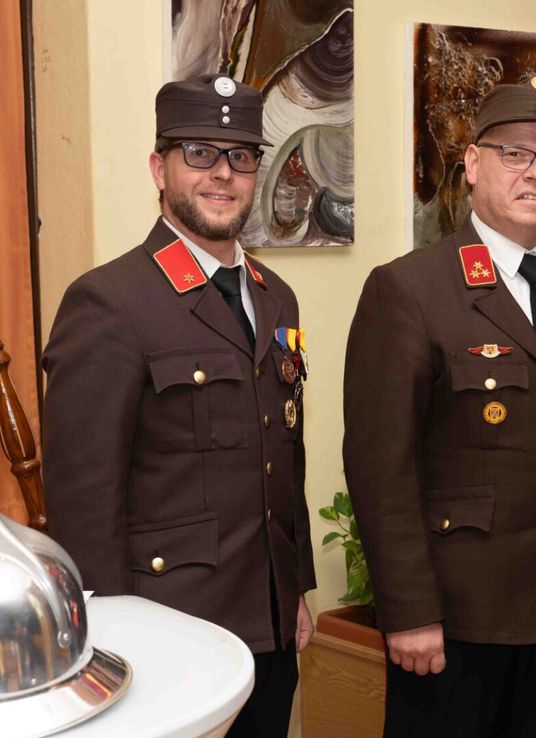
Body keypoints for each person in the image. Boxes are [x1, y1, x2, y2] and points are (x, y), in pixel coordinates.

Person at [342, 77, 536, 738]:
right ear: (474, 164)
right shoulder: (410, 289)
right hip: (455, 619)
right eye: (516, 154)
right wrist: (409, 610)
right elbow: (380, 470)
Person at [43, 74, 316, 737]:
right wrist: (107, 640)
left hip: (271, 629)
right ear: (158, 167)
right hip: (168, 637)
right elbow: (84, 502)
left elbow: (282, 455)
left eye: (241, 156)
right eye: (199, 152)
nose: (223, 174)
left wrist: (297, 590)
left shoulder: (275, 296)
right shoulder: (111, 302)